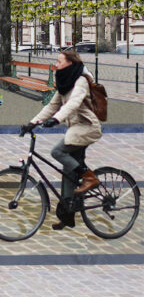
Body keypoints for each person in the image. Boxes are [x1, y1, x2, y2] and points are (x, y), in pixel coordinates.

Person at [21, 49, 102, 230]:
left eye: (59, 62)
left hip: (87, 127)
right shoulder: (65, 81)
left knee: (57, 151)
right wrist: (32, 123)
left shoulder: (80, 81)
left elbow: (74, 103)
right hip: (76, 129)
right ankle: (68, 215)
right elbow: (52, 105)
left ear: (70, 63)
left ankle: (90, 177)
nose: (56, 65)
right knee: (68, 173)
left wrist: (57, 119)